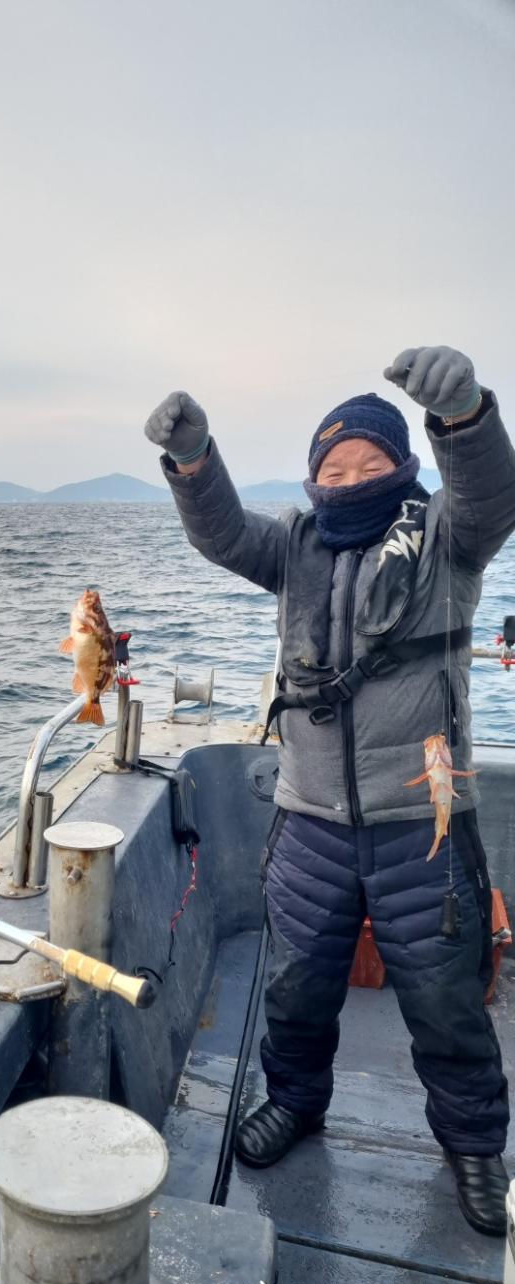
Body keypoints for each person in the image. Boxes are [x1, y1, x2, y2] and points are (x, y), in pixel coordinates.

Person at [144, 345, 515, 1237]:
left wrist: (465, 417)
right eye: (333, 470)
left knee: (444, 998)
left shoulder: (447, 539)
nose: (349, 481)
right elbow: (221, 532)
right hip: (309, 821)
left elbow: (491, 496)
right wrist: (193, 462)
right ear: (314, 482)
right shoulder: (295, 545)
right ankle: (294, 1101)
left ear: (407, 468)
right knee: (296, 985)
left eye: (370, 465)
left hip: (422, 827)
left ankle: (474, 1146)